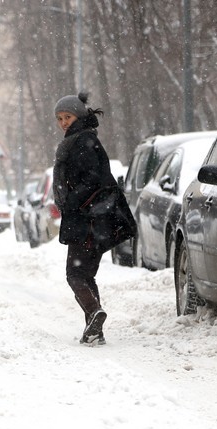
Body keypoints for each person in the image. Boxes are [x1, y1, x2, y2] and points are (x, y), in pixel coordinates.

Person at [52, 92, 136, 346]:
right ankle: (95, 328)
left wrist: (72, 201)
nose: (63, 122)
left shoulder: (83, 141)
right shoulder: (83, 139)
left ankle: (95, 315)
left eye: (67, 116)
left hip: (87, 220)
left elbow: (92, 180)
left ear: (78, 115)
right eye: (59, 118)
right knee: (85, 275)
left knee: (75, 274)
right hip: (91, 219)